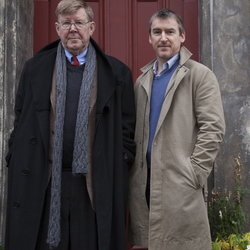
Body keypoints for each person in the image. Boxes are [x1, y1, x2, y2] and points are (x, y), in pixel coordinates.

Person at [5, 1, 136, 250]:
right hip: (43, 181)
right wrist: (15, 154)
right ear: (57, 28)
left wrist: (121, 159)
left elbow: (126, 130)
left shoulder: (117, 73)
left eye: (78, 22)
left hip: (93, 185)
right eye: (66, 23)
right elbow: (20, 118)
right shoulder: (34, 69)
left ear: (92, 27)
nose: (72, 29)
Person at [128, 9, 225, 250]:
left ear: (182, 36)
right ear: (149, 38)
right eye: (157, 32)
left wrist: (195, 171)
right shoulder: (142, 82)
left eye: (170, 31)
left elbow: (213, 128)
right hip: (147, 183)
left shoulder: (199, 76)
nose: (163, 38)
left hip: (181, 183)